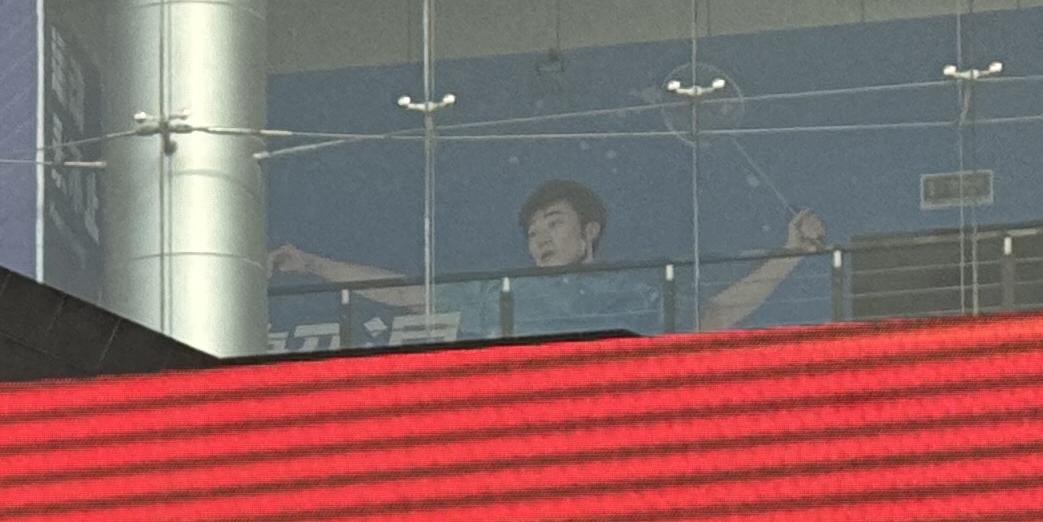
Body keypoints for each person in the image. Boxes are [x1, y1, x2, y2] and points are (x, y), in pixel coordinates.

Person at [270, 179, 823, 335]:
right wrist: (314, 265)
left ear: (589, 232)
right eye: (533, 231)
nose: (540, 238)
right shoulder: (503, 295)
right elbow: (407, 292)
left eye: (554, 223)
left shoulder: (634, 291)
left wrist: (791, 255)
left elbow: (718, 313)